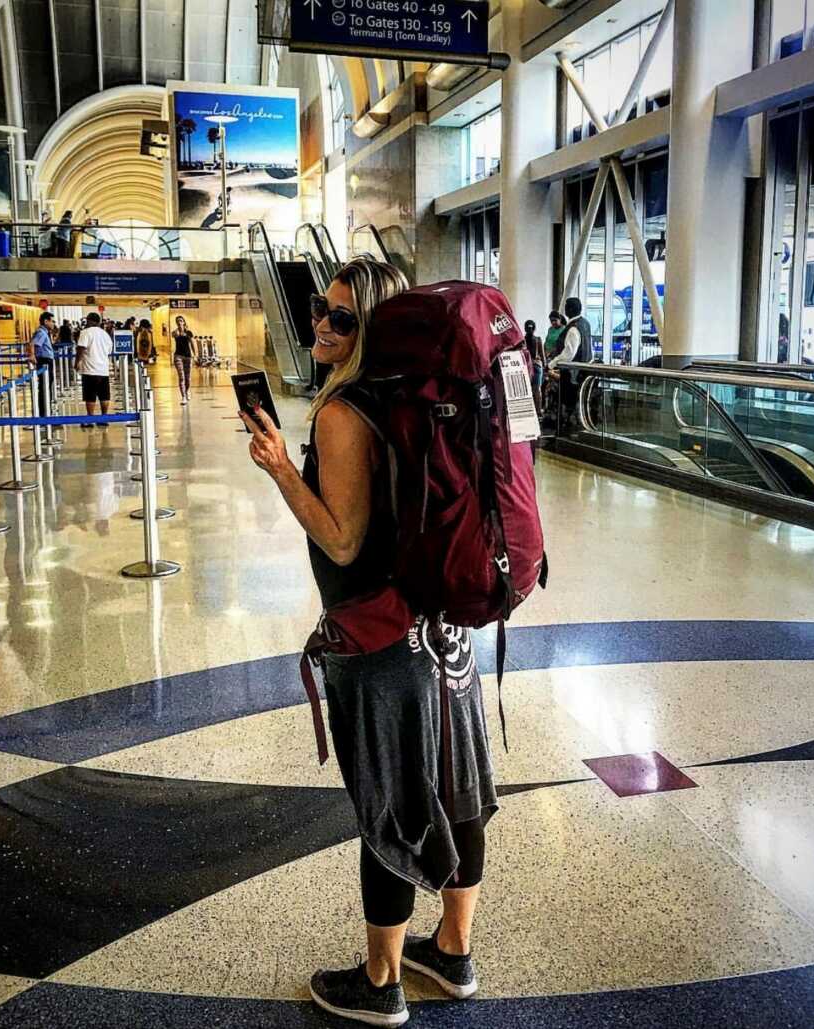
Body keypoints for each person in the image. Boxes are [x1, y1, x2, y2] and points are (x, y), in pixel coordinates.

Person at [240, 259, 497, 1027]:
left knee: (388, 808)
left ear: (372, 331)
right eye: (321, 308)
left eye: (342, 317)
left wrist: (283, 469)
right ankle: (452, 950)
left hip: (378, 639)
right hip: (441, 626)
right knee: (455, 789)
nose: (320, 324)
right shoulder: (420, 399)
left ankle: (381, 978)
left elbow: (344, 542)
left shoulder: (345, 412)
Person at [547, 297, 593, 427]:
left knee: (568, 403)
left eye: (566, 306)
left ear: (570, 309)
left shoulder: (573, 329)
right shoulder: (586, 324)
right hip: (584, 371)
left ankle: (566, 429)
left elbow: (568, 354)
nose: (564, 309)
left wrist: (551, 364)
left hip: (572, 375)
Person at [74, 311, 113, 422]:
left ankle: (90, 418)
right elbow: (109, 351)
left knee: (90, 395)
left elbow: (80, 348)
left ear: (90, 321)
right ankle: (104, 418)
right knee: (104, 395)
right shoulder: (105, 334)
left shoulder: (85, 332)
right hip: (103, 369)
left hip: (89, 369)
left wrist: (77, 363)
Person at [27, 310, 55, 416]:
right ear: (45, 321)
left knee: (46, 386)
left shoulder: (44, 332)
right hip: (44, 361)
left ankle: (47, 410)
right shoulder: (41, 332)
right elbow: (32, 343)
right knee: (44, 387)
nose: (53, 323)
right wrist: (32, 355)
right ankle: (44, 413)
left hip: (46, 361)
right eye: (52, 321)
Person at [171, 315, 197, 404]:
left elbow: (193, 344)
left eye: (181, 320)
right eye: (177, 321)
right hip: (178, 356)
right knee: (181, 377)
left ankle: (187, 391)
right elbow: (174, 335)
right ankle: (183, 397)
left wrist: (195, 355)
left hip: (188, 357)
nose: (179, 322)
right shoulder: (175, 332)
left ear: (184, 322)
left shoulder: (189, 333)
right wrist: (179, 331)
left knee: (188, 378)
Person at [524, 319, 546, 418]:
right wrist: (545, 366)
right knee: (537, 389)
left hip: (527, 366)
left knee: (527, 390)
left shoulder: (522, 340)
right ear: (534, 329)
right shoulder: (538, 340)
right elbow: (542, 355)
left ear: (525, 329)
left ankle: (528, 411)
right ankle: (538, 412)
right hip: (537, 365)